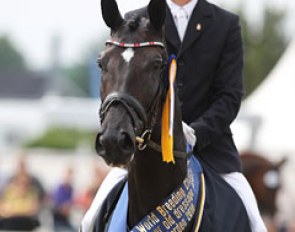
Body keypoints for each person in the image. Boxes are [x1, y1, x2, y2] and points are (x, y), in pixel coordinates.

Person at [125, 0, 266, 231]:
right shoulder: (136, 21)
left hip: (212, 152)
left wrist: (196, 132)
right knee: (92, 218)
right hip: (148, 153)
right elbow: (127, 85)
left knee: (255, 221)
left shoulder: (226, 24)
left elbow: (229, 96)